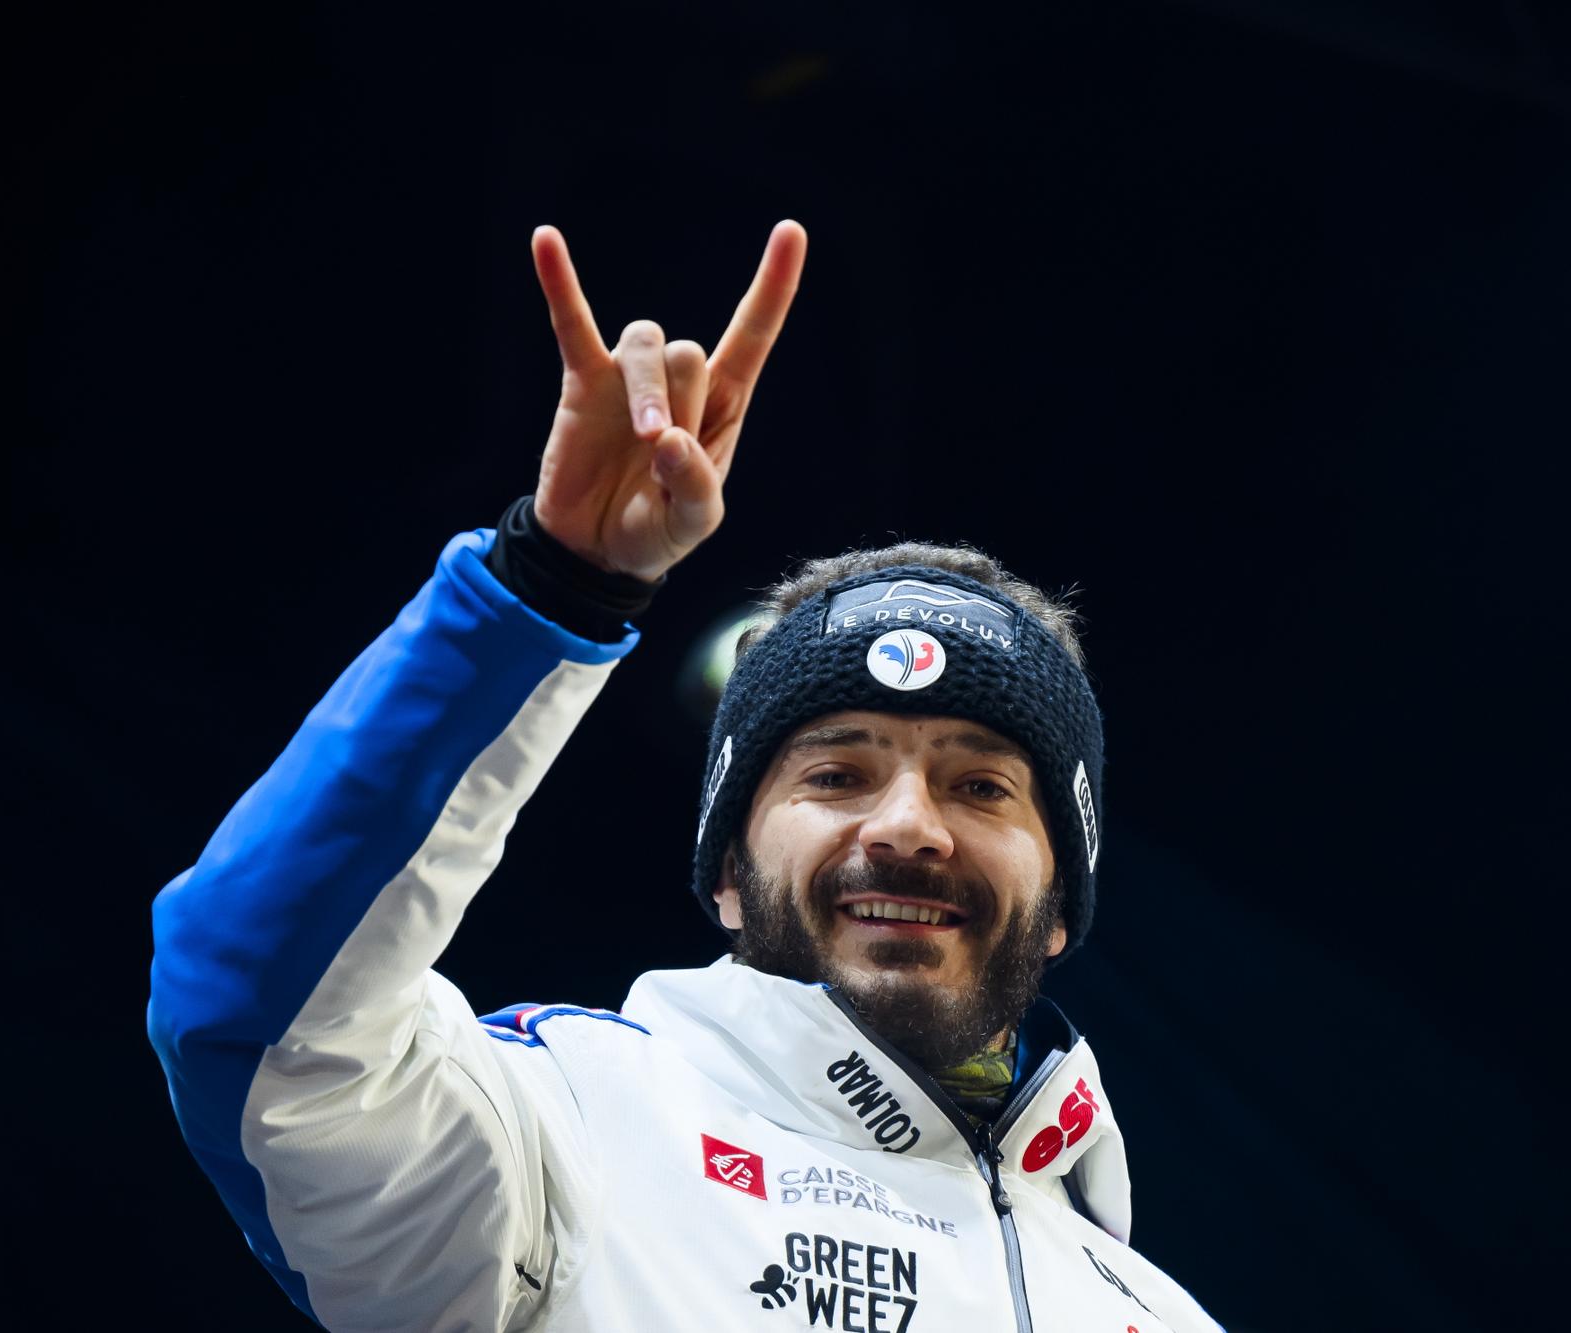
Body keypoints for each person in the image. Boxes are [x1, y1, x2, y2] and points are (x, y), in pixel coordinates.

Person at [147, 221, 1220, 1332]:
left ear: (1061, 906)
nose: (907, 827)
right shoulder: (560, 1135)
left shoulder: (1152, 1313)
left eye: (982, 788)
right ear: (724, 876)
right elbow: (258, 1011)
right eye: (837, 774)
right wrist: (548, 590)